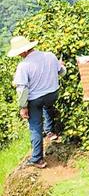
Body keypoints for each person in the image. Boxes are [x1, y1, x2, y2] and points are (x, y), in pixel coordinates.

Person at [9, 36, 64, 168]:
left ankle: (37, 159)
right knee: (46, 106)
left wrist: (23, 107)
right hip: (53, 94)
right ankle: (50, 131)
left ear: (23, 52)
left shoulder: (23, 65)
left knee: (35, 126)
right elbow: (61, 72)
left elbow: (22, 89)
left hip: (36, 99)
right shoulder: (50, 55)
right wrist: (62, 66)